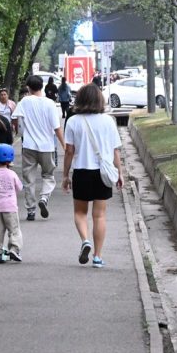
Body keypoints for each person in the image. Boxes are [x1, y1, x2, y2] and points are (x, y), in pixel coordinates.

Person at [61, 83, 123, 269]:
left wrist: (65, 175)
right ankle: (97, 257)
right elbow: (115, 151)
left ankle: (85, 240)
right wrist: (119, 173)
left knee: (80, 213)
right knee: (100, 216)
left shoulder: (73, 121)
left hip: (81, 172)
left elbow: (69, 151)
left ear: (80, 99)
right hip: (102, 173)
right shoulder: (108, 121)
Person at [11, 74, 64, 221]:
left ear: (28, 88)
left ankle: (31, 210)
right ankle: (44, 198)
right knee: (48, 175)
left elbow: (14, 118)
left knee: (29, 179)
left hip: (29, 146)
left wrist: (19, 130)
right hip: (47, 146)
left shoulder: (24, 101)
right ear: (42, 86)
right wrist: (64, 145)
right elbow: (57, 128)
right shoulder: (50, 103)